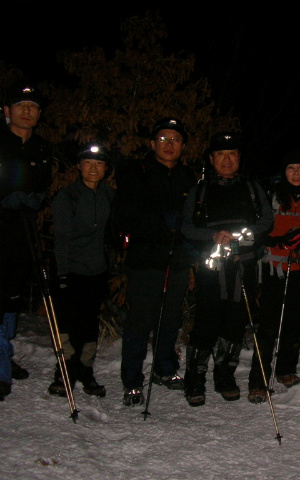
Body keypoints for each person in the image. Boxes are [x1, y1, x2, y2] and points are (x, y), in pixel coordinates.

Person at [180, 132, 273, 406]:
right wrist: (213, 236)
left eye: (232, 153)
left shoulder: (252, 188)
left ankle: (225, 375)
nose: (227, 159)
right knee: (206, 321)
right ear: (211, 159)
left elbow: (267, 221)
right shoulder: (200, 190)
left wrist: (240, 238)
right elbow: (186, 227)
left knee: (236, 322)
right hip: (211, 268)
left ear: (239, 157)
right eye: (220, 154)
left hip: (243, 266)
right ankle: (194, 378)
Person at [112, 117, 197, 406]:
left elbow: (194, 217)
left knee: (170, 317)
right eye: (163, 139)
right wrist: (160, 222)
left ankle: (165, 367)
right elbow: (124, 214)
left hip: (178, 258)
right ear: (152, 143)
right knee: (140, 320)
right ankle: (132, 380)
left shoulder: (187, 176)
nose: (169, 144)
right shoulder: (137, 172)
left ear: (183, 145)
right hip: (145, 258)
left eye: (176, 139)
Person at [246, 150, 300, 404]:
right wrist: (276, 240)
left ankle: (286, 369)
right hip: (274, 267)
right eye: (291, 168)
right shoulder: (271, 195)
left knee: (293, 322)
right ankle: (259, 380)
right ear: (284, 171)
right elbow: (258, 229)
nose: (296, 173)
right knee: (268, 325)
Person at [47, 142, 115, 398]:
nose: (93, 168)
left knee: (89, 324)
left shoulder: (109, 195)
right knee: (68, 325)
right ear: (79, 166)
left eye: (99, 163)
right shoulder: (68, 196)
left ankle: (86, 371)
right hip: (71, 270)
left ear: (106, 168)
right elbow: (62, 237)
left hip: (97, 270)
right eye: (88, 163)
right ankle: (64, 372)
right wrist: (62, 273)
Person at [0, 82, 54, 401]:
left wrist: (36, 198)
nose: (26, 111)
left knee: (11, 298)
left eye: (33, 106)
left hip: (22, 233)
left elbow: (43, 184)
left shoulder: (42, 148)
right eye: (21, 105)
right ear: (7, 110)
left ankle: (3, 352)